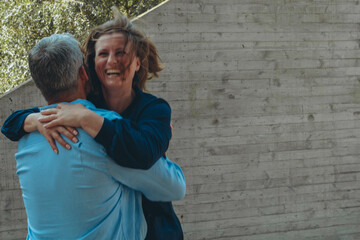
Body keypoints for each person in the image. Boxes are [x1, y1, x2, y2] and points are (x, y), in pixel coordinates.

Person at [2, 11, 184, 240]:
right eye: (103, 53)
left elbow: (144, 152)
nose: (112, 61)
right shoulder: (81, 118)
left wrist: (86, 119)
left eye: (121, 53)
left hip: (158, 227)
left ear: (138, 62)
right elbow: (174, 185)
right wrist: (33, 119)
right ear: (86, 70)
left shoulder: (152, 110)